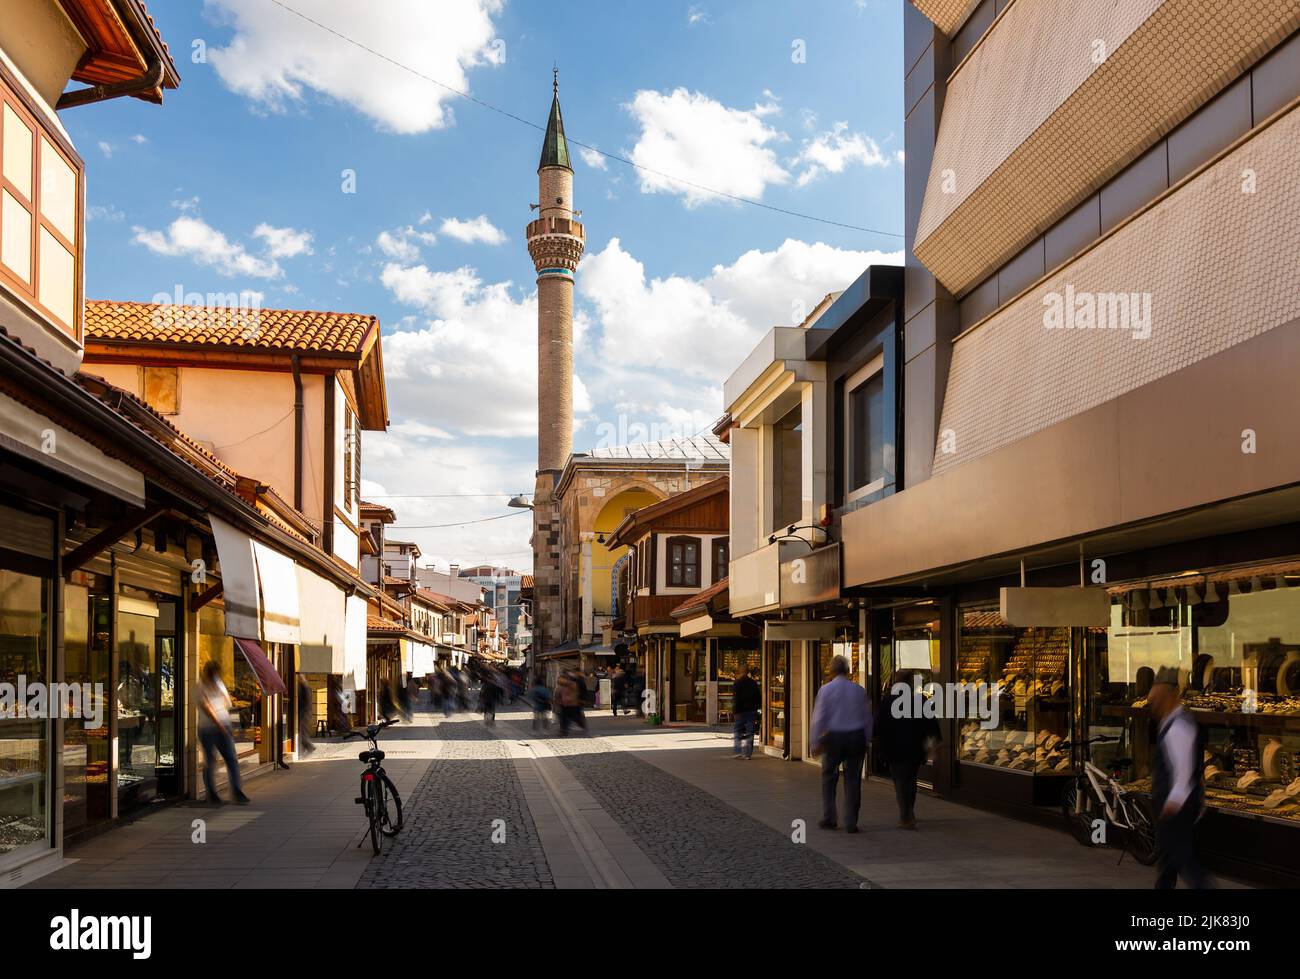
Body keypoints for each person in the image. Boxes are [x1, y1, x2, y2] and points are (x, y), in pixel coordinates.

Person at [1148, 668, 1213, 889]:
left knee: (1183, 858)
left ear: (1169, 697)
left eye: (1156, 700)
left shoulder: (1179, 727)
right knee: (1170, 858)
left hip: (1178, 805)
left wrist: (1172, 804)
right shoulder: (1170, 722)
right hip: (1173, 803)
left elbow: (1183, 773)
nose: (1153, 706)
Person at [809, 656, 871, 832]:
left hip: (834, 737)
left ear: (832, 671)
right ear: (847, 671)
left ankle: (830, 817)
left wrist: (814, 742)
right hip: (856, 737)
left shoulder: (826, 690)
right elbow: (867, 718)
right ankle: (851, 821)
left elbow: (819, 718)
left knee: (829, 778)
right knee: (853, 780)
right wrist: (866, 740)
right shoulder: (859, 690)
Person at [874, 674, 941, 829]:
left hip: (894, 748)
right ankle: (909, 811)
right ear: (910, 683)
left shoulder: (887, 702)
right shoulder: (919, 700)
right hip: (914, 748)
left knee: (900, 781)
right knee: (910, 779)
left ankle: (906, 815)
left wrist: (875, 740)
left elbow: (877, 725)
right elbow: (931, 724)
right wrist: (936, 742)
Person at [197, 660, 249, 805]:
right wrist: (220, 724)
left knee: (230, 760)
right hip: (209, 729)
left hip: (222, 725)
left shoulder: (218, 682)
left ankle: (237, 792)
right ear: (209, 673)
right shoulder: (200, 686)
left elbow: (227, 701)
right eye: (214, 673)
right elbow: (207, 707)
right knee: (211, 762)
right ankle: (212, 794)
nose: (216, 676)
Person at [730, 665, 761, 760]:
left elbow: (735, 698)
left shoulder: (737, 683)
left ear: (740, 672)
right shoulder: (753, 683)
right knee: (750, 731)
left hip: (740, 711)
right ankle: (748, 754)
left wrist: (734, 710)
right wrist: (757, 708)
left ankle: (737, 751)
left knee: (737, 731)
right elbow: (758, 697)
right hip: (751, 710)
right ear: (748, 672)